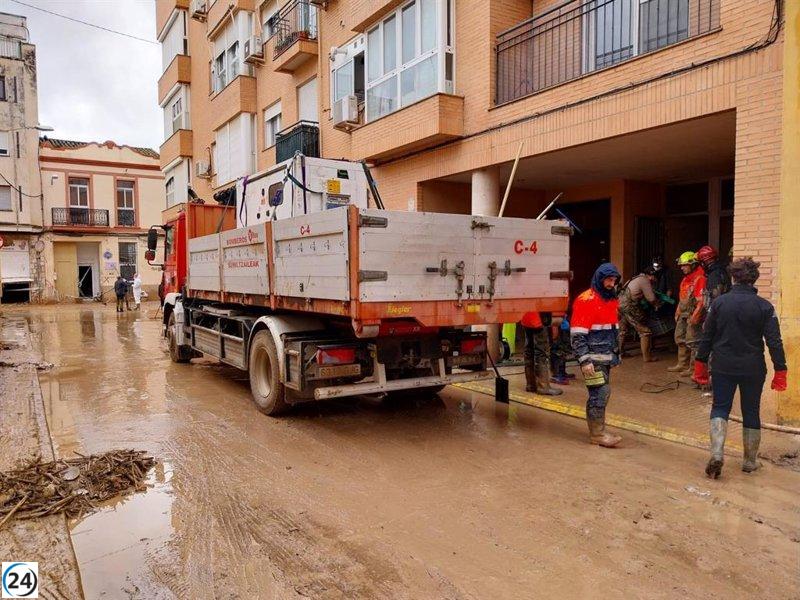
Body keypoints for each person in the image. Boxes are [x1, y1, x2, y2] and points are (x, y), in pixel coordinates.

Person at [693, 258, 787, 478]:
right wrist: (780, 370)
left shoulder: (719, 303)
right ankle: (750, 462)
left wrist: (700, 363)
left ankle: (717, 454)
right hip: (753, 368)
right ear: (754, 279)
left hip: (722, 365)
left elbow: (707, 336)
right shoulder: (765, 306)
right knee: (751, 411)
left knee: (720, 407)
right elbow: (774, 342)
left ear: (733, 277)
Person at [570, 263, 623, 447]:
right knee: (600, 393)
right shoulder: (586, 300)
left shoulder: (610, 299)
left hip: (604, 357)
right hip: (592, 358)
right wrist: (584, 360)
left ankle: (599, 431)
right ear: (600, 279)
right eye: (609, 280)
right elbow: (578, 334)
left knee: (602, 393)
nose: (612, 283)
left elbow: (612, 329)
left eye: (614, 280)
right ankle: (597, 435)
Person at [667, 252, 705, 376]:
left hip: (692, 314)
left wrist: (696, 315)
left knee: (693, 341)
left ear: (693, 265)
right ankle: (682, 364)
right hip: (683, 313)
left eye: (685, 265)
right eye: (681, 265)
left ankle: (693, 368)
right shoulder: (685, 279)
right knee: (679, 337)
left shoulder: (700, 278)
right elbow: (682, 296)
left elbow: (701, 301)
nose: (682, 268)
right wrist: (678, 310)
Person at [618, 266, 661, 362]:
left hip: (620, 305)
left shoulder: (634, 278)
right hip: (629, 306)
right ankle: (647, 358)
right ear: (651, 276)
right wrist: (657, 304)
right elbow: (651, 298)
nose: (655, 279)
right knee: (645, 331)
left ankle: (620, 353)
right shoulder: (644, 280)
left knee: (622, 330)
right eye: (655, 277)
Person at [521, 311, 562, 396]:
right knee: (541, 352)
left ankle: (531, 384)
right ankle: (543, 386)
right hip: (539, 319)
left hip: (525, 318)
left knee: (529, 350)